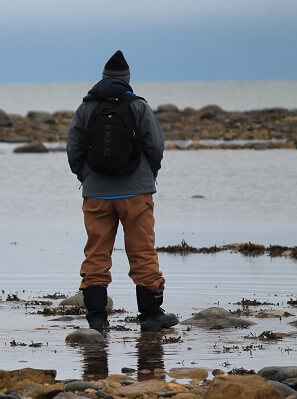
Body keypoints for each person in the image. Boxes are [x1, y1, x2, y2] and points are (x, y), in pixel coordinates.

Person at [66, 50, 178, 332]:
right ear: (128, 79)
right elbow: (155, 146)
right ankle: (151, 315)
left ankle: (96, 318)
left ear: (102, 78)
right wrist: (147, 176)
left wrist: (87, 177)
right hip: (136, 193)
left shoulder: (86, 107)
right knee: (142, 251)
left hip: (96, 194)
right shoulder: (138, 106)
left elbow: (73, 149)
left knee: (96, 253)